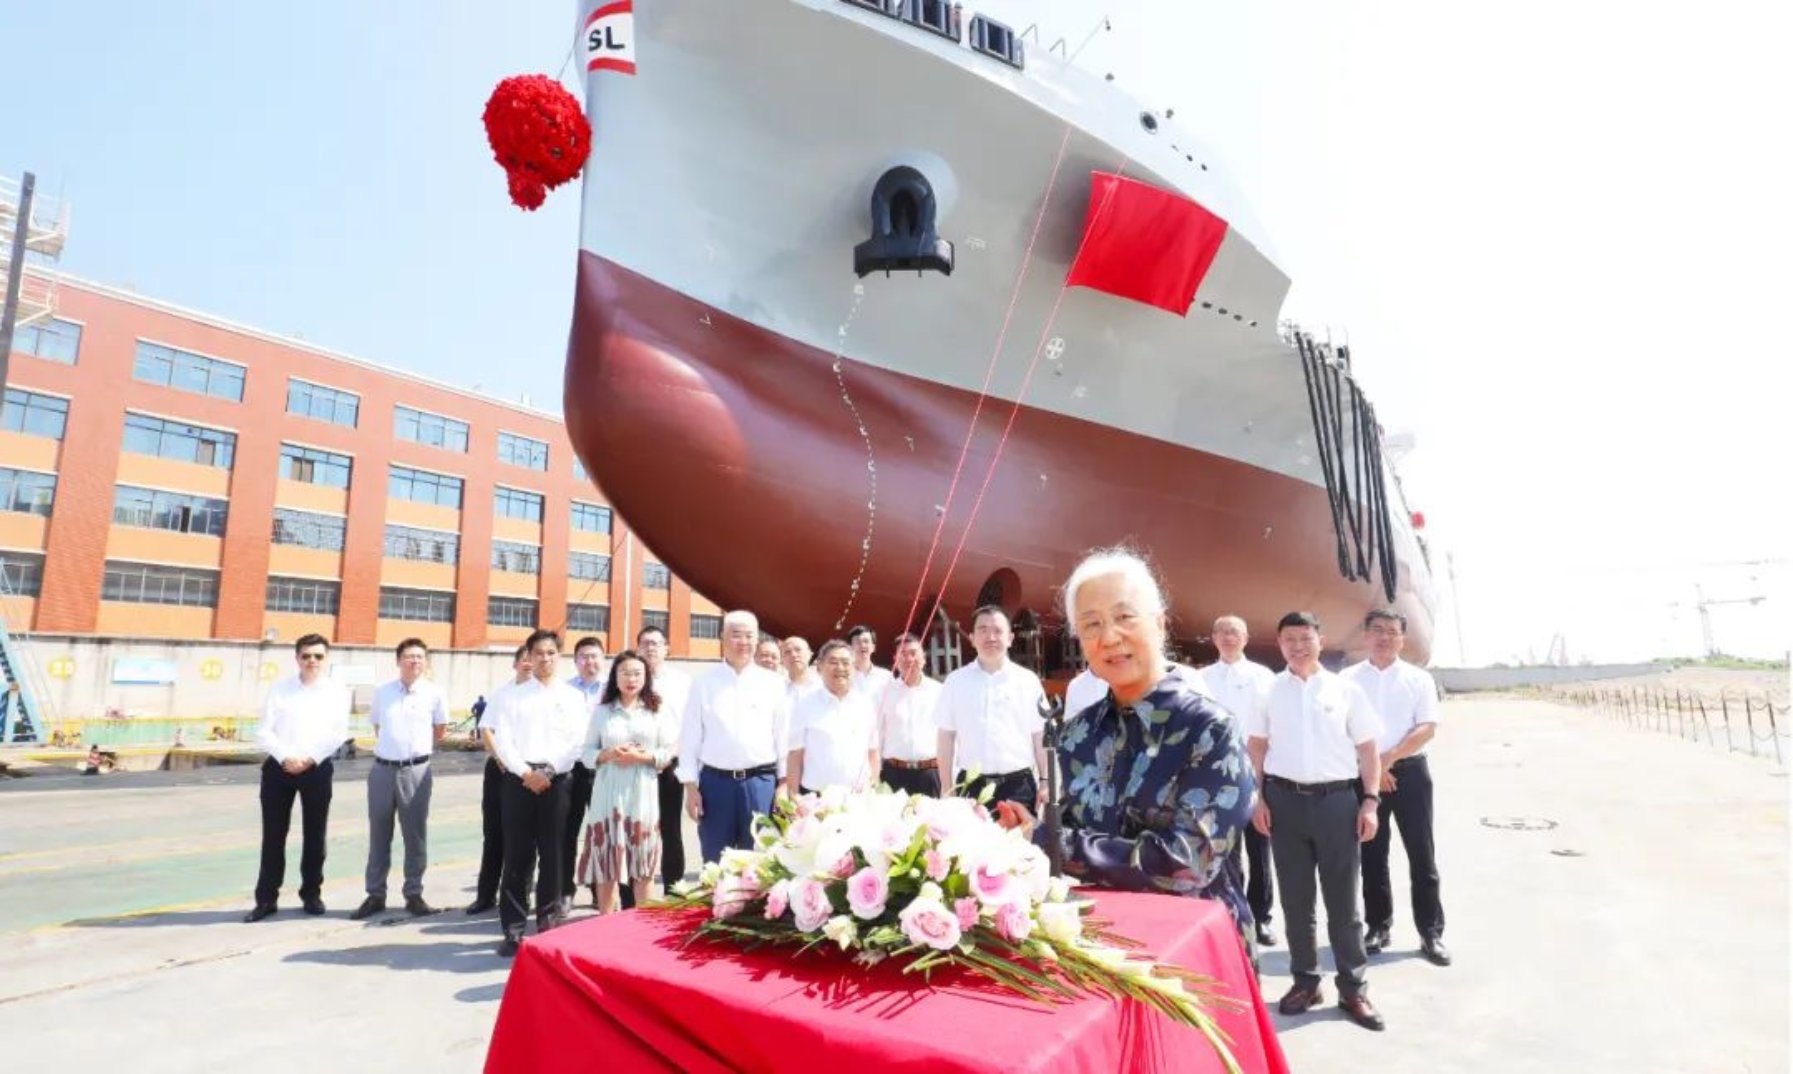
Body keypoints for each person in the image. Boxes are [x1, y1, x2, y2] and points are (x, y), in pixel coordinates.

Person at [1001, 550, 1257, 948]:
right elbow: (1066, 831)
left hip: (1192, 949)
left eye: (1124, 617)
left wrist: (1055, 842)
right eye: (1092, 624)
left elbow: (1188, 863)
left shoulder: (1209, 730)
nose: (1109, 637)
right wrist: (1025, 831)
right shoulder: (1077, 734)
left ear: (1160, 623)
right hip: (1099, 946)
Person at [1245, 612, 1386, 1031]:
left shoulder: (1346, 690)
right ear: (1279, 644)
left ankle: (1353, 988)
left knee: (1343, 903)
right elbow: (1256, 747)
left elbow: (1368, 750)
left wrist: (1370, 802)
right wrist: (1258, 799)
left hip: (1337, 803)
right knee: (1296, 901)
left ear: (1320, 641)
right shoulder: (1268, 691)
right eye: (1289, 639)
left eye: (1305, 638)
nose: (1298, 646)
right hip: (1283, 803)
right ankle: (1306, 982)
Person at [1343, 609, 1449, 966]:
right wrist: (1372, 768)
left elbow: (1427, 727)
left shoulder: (1419, 679)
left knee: (1422, 854)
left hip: (1410, 773)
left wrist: (1386, 760)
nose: (1384, 637)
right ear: (1366, 635)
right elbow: (1341, 728)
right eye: (1377, 630)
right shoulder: (1347, 679)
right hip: (1362, 774)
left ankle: (1430, 932)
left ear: (1403, 639)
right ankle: (1378, 926)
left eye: (1392, 631)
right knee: (1372, 854)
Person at [490, 630, 589, 957]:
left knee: (554, 852)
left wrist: (548, 771)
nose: (545, 659)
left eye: (551, 653)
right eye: (538, 653)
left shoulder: (573, 697)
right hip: (519, 780)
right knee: (517, 854)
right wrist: (525, 773)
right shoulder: (512, 696)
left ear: (558, 656)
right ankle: (513, 929)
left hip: (557, 780)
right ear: (528, 657)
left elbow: (577, 741)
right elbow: (503, 741)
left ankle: (547, 923)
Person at [246, 634, 350, 923]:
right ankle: (266, 899)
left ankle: (311, 894)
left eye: (318, 656)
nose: (312, 661)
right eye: (306, 656)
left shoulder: (337, 692)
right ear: (297, 658)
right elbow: (264, 732)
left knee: (315, 835)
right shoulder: (280, 689)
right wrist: (286, 757)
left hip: (316, 769)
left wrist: (309, 759)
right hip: (279, 769)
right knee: (273, 836)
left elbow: (338, 733)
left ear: (325, 659)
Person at [677, 610, 790, 863]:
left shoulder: (774, 683)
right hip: (716, 785)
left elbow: (783, 736)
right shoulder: (703, 683)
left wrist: (783, 784)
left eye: (750, 636)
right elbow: (691, 737)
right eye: (736, 635)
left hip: (760, 783)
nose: (743, 642)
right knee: (716, 862)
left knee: (760, 862)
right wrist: (690, 787)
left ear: (757, 640)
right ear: (722, 638)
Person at [352, 638, 449, 920]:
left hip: (416, 771)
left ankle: (414, 894)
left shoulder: (435, 693)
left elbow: (440, 730)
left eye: (420, 656)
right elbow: (378, 725)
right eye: (409, 656)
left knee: (415, 835)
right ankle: (375, 894)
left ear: (425, 662)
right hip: (382, 771)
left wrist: (415, 752)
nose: (414, 661)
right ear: (398, 661)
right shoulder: (383, 692)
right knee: (379, 834)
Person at [1199, 615, 1280, 948]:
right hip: (1216, 776)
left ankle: (1261, 918)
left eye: (1234, 632)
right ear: (1214, 638)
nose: (1228, 637)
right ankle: (1233, 914)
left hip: (1256, 771)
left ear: (1245, 638)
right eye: (1222, 632)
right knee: (1225, 851)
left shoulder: (1264, 677)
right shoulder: (1202, 678)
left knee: (1260, 849)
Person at [580, 650, 674, 912]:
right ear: (615, 677)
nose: (631, 679)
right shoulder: (602, 711)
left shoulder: (657, 709)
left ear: (646, 677)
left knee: (643, 864)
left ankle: (642, 925)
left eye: (636, 674)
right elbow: (586, 753)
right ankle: (606, 922)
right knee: (607, 864)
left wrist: (641, 757)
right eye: (625, 673)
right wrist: (607, 754)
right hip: (607, 795)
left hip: (643, 793)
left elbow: (668, 751)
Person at [935, 605, 1048, 811]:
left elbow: (1040, 734)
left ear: (1010, 638)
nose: (991, 637)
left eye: (998, 630)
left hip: (1018, 788)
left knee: (1021, 834)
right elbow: (945, 737)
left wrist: (1045, 781)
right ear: (972, 638)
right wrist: (947, 788)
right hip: (970, 787)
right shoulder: (955, 681)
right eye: (983, 630)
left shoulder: (1028, 681)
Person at [466, 647, 530, 915]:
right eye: (524, 659)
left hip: (528, 772)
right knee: (493, 834)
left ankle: (517, 898)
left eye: (533, 658)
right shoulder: (501, 693)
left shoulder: (544, 695)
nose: (529, 663)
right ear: (514, 664)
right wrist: (500, 758)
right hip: (500, 770)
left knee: (523, 838)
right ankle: (485, 895)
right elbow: (486, 730)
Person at [637, 625, 690, 898]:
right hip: (636, 764)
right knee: (638, 830)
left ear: (666, 648)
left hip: (670, 763)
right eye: (645, 643)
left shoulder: (682, 682)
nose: (650, 648)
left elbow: (690, 724)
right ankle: (635, 895)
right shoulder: (631, 677)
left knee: (671, 829)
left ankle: (673, 891)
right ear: (638, 648)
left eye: (656, 643)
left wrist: (670, 753)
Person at [786, 640, 878, 795]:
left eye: (846, 663)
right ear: (820, 667)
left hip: (859, 796)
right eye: (833, 662)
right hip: (815, 797)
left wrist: (874, 787)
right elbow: (795, 756)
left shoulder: (865, 704)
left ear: (854, 668)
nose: (840, 668)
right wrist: (793, 797)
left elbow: (873, 752)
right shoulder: (804, 704)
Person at [562, 637, 608, 915]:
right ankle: (565, 890)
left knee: (601, 833)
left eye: (594, 656)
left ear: (603, 659)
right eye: (583, 656)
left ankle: (599, 889)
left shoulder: (612, 689)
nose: (589, 661)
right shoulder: (564, 690)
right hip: (572, 768)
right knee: (567, 832)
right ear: (575, 660)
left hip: (604, 769)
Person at [876, 632, 943, 797]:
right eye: (903, 654)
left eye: (913, 653)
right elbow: (877, 734)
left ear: (924, 658)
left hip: (930, 773)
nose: (909, 659)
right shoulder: (884, 692)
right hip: (894, 774)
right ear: (895, 660)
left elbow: (948, 734)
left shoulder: (939, 691)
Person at [845, 624, 894, 701]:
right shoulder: (843, 675)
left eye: (866, 641)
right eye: (857, 642)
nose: (862, 645)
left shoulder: (886, 676)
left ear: (873, 647)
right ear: (850, 648)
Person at [781, 635, 822, 705]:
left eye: (798, 650)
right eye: (787, 652)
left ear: (810, 654)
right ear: (782, 659)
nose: (793, 655)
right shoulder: (776, 689)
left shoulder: (825, 686)